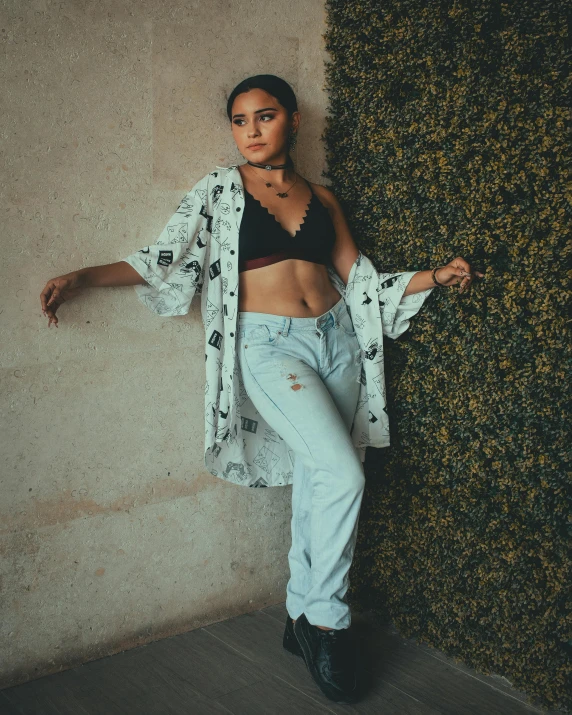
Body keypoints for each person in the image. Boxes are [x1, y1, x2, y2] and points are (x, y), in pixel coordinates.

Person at [39, 74, 483, 704]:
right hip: (270, 347)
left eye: (264, 117)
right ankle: (329, 622)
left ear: (294, 121)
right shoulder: (220, 191)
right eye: (240, 121)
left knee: (321, 478)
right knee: (343, 475)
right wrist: (82, 275)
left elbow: (360, 281)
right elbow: (164, 258)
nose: (250, 132)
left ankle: (299, 613)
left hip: (339, 341)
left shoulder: (324, 200)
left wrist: (432, 277)